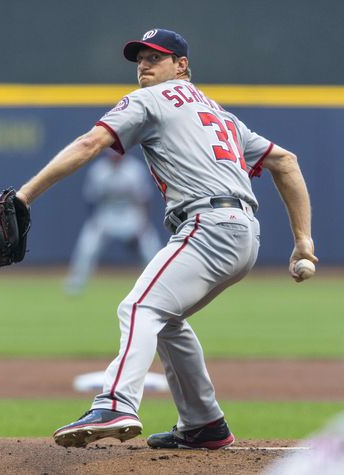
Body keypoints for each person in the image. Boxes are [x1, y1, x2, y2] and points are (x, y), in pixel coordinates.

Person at [16, 28, 318, 450]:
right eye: (139, 57)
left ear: (182, 66)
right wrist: (303, 241)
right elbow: (285, 161)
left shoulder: (149, 100)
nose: (143, 63)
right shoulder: (223, 116)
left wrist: (24, 195)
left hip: (208, 224)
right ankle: (203, 423)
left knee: (140, 305)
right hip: (243, 233)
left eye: (155, 57)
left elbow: (90, 143)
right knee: (166, 319)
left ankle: (116, 402)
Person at [64, 150, 162, 294]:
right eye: (112, 152)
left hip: (131, 214)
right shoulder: (98, 171)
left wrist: (143, 222)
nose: (115, 155)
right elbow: (91, 200)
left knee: (150, 247)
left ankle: (159, 283)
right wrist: (95, 221)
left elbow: (144, 200)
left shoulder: (134, 170)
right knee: (88, 244)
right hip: (106, 214)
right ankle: (76, 284)